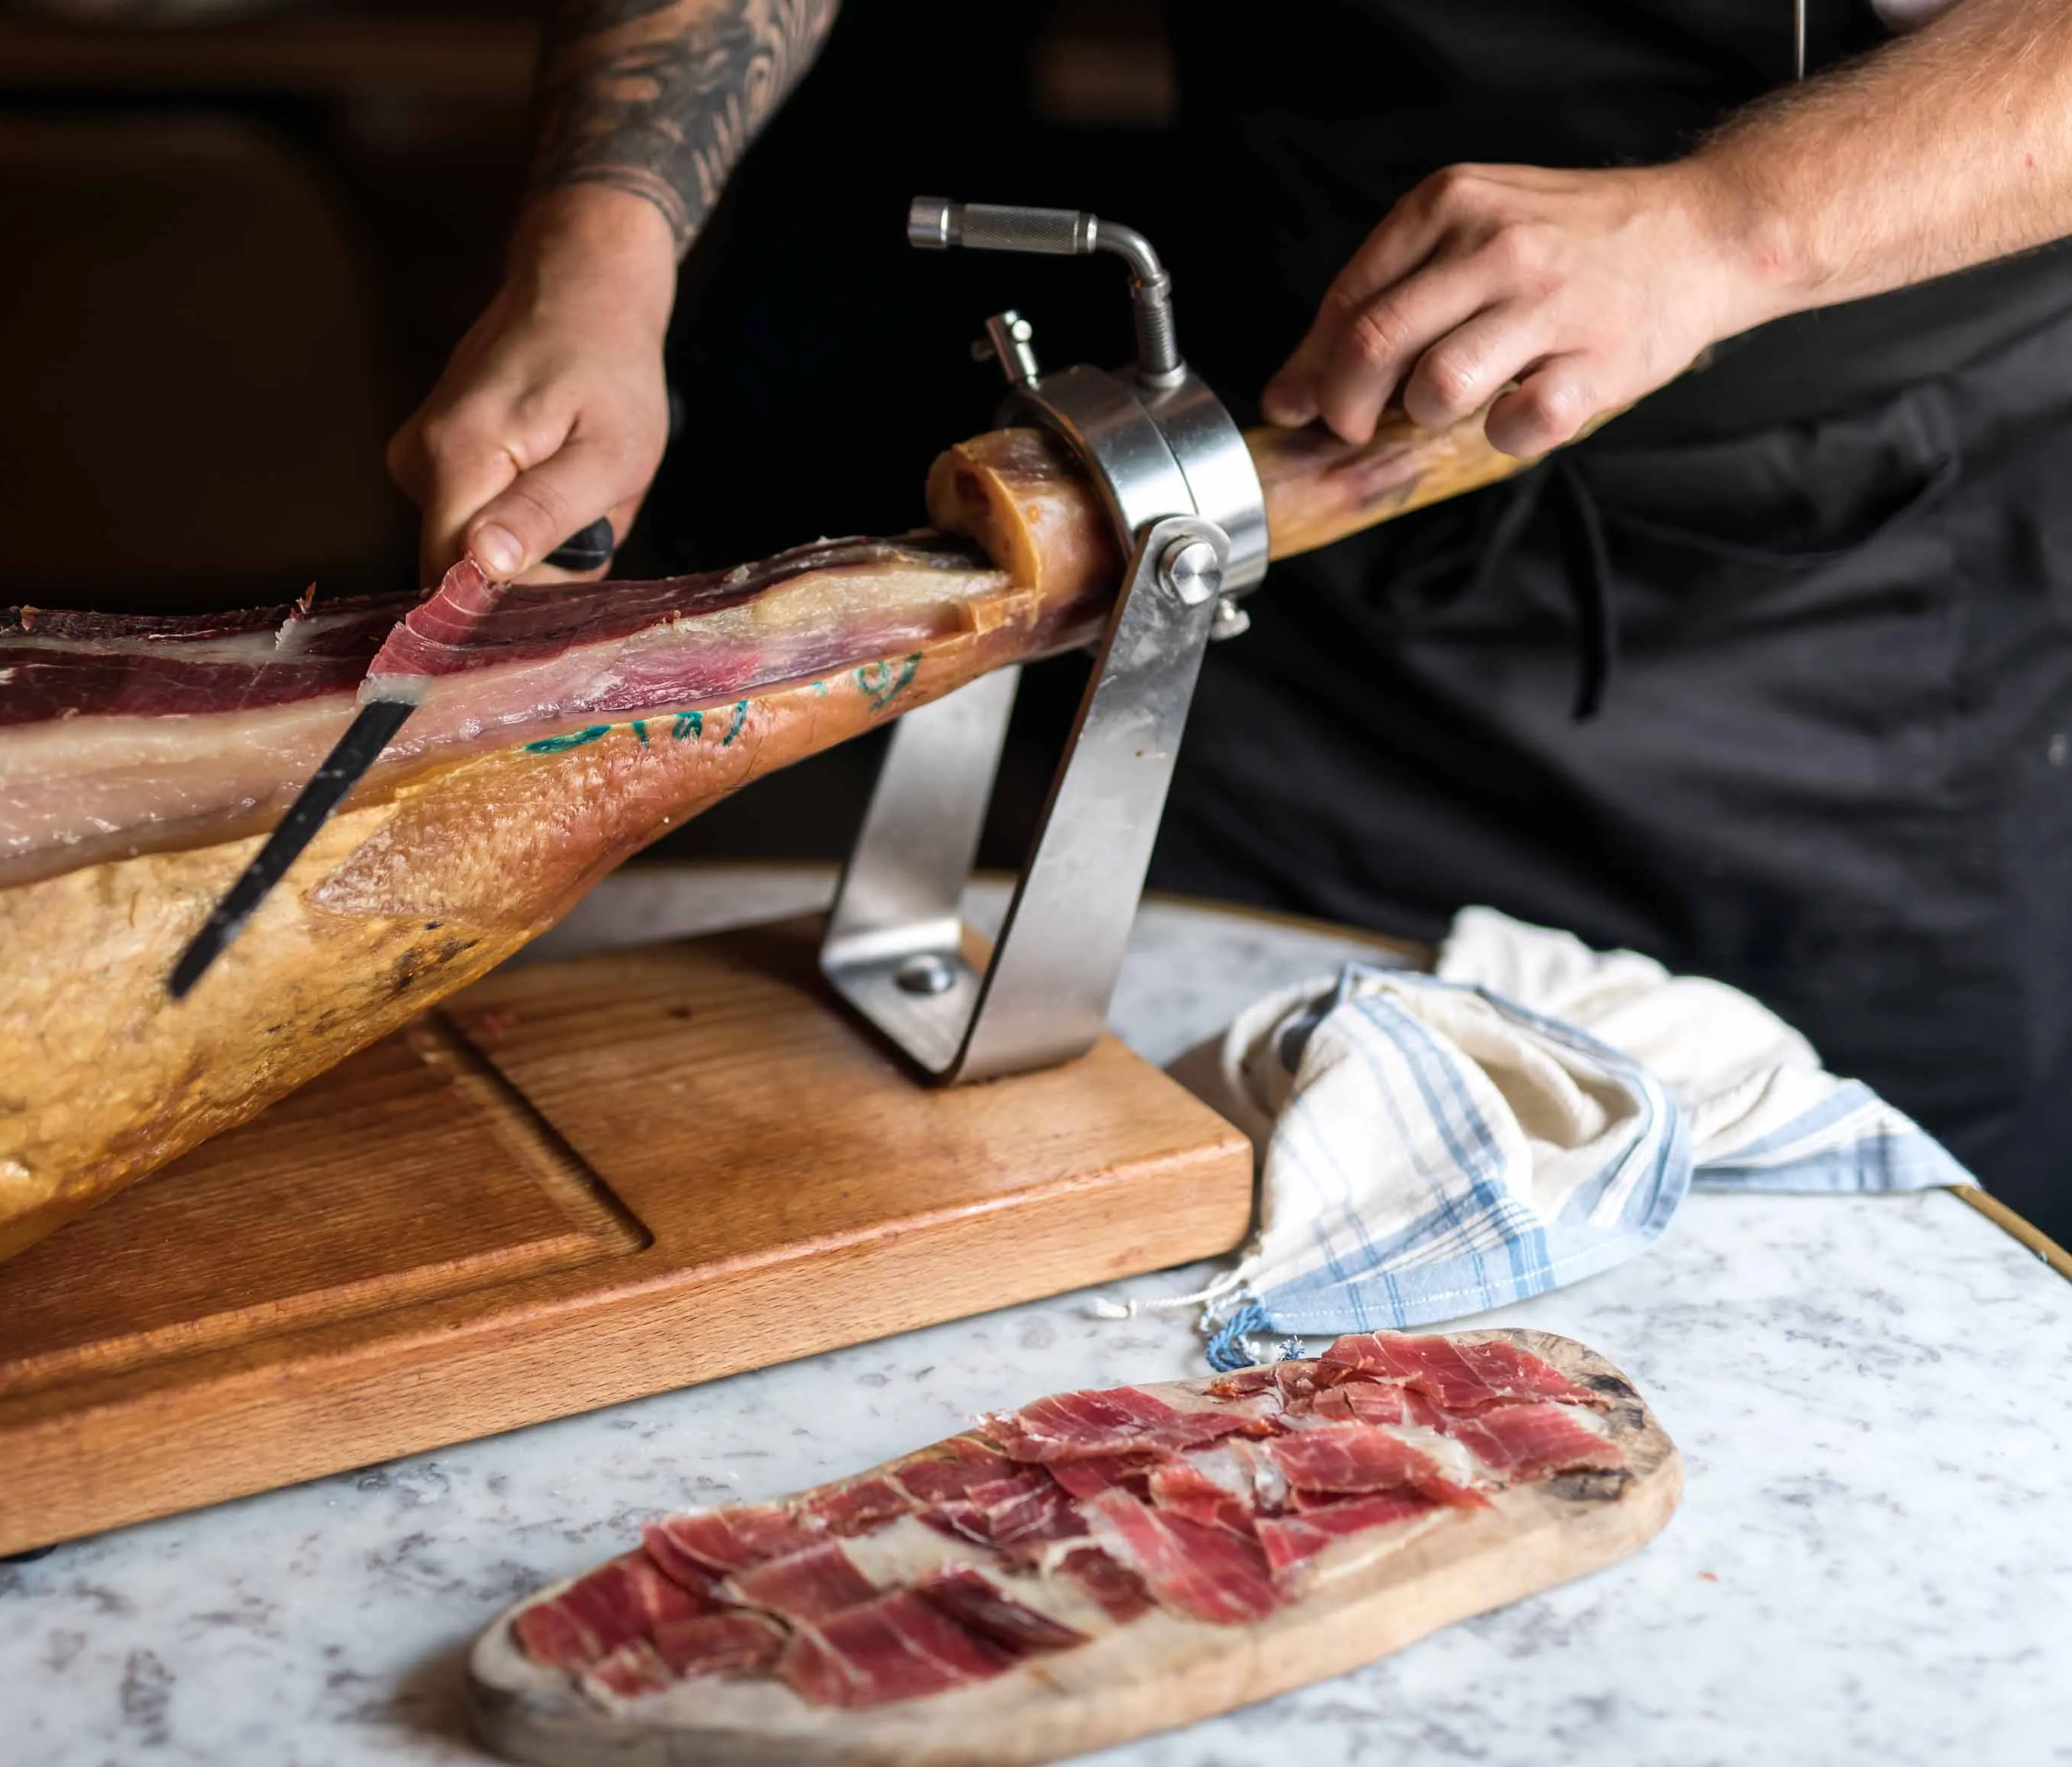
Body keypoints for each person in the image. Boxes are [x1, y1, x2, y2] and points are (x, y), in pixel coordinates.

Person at [387, 0, 2072, 1235]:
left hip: (1864, 599)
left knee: (1863, 1250)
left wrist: (1725, 225)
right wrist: (599, 247)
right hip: (1289, 526)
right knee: (1190, 1229)